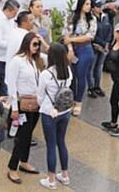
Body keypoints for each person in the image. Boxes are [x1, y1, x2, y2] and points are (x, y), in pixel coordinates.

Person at [6, 32, 44, 183]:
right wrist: (14, 108)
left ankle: (24, 161)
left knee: (28, 135)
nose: (37, 47)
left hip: (35, 103)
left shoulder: (36, 61)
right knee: (22, 136)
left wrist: (43, 42)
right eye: (34, 44)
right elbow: (12, 86)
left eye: (38, 45)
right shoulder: (17, 61)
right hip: (22, 105)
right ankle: (12, 167)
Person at [37, 43, 73, 189]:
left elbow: (39, 96)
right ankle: (64, 175)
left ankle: (51, 179)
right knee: (61, 142)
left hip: (49, 112)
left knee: (51, 145)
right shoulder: (68, 71)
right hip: (65, 111)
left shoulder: (46, 74)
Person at [65, 0, 96, 115]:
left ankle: (78, 102)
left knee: (81, 75)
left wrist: (73, 40)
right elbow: (67, 33)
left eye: (89, 4)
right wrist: (70, 48)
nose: (88, 7)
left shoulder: (91, 19)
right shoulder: (72, 16)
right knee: (71, 75)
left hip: (85, 49)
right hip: (73, 49)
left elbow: (90, 36)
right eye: (86, 4)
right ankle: (71, 99)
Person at [87, 0, 112, 98]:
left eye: (100, 6)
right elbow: (92, 34)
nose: (99, 8)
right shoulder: (90, 19)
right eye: (97, 6)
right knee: (91, 67)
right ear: (93, 9)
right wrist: (102, 43)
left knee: (99, 67)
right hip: (94, 46)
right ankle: (91, 87)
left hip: (104, 47)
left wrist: (107, 43)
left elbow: (110, 30)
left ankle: (97, 86)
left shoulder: (105, 17)